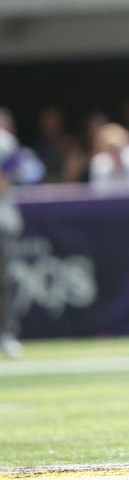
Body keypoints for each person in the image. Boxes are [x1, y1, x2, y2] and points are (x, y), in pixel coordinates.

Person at [0, 113, 24, 358]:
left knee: (5, 280)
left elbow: (3, 182)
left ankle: (7, 334)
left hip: (2, 220)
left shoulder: (6, 144)